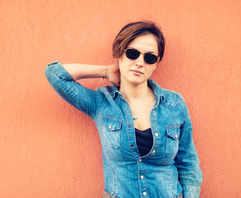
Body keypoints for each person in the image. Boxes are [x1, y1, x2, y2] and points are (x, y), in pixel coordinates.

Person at [45, 21, 203, 198]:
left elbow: (188, 164)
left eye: (149, 57)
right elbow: (55, 74)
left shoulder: (174, 104)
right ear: (119, 54)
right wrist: (105, 71)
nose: (140, 63)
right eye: (132, 54)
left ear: (156, 63)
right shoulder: (102, 103)